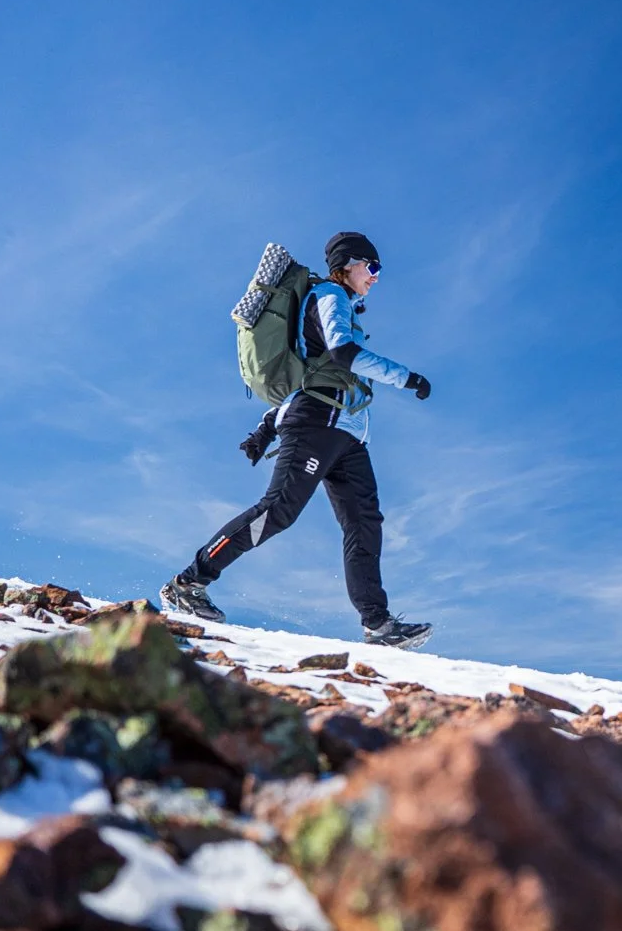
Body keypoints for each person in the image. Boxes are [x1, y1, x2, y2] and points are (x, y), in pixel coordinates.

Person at [161, 231, 434, 649]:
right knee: (279, 511)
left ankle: (378, 625)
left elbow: (314, 374)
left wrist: (265, 428)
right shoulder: (331, 295)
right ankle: (189, 582)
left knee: (364, 523)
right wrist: (407, 377)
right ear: (349, 264)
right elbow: (342, 354)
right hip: (318, 425)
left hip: (346, 434)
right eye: (373, 268)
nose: (376, 278)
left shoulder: (341, 303)